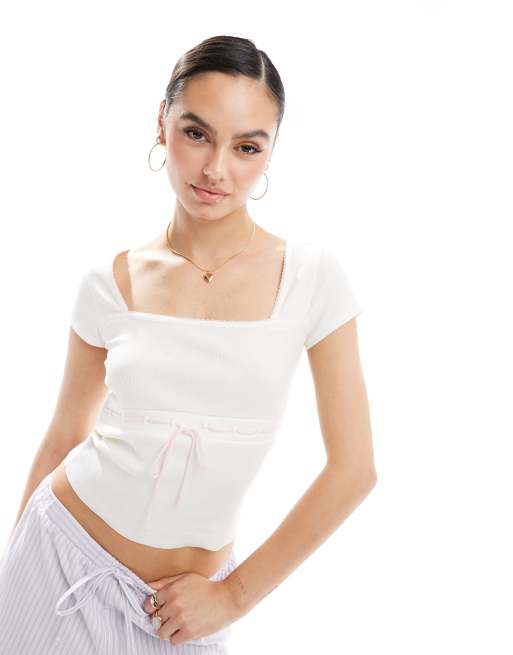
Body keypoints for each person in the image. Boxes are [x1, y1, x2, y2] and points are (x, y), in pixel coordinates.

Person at [0, 34, 376, 654]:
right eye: (197, 133)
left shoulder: (311, 280)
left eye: (247, 146)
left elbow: (354, 470)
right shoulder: (110, 282)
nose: (216, 169)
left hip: (184, 616)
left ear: (270, 152)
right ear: (162, 124)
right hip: (58, 565)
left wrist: (233, 597)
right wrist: (10, 571)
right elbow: (64, 436)